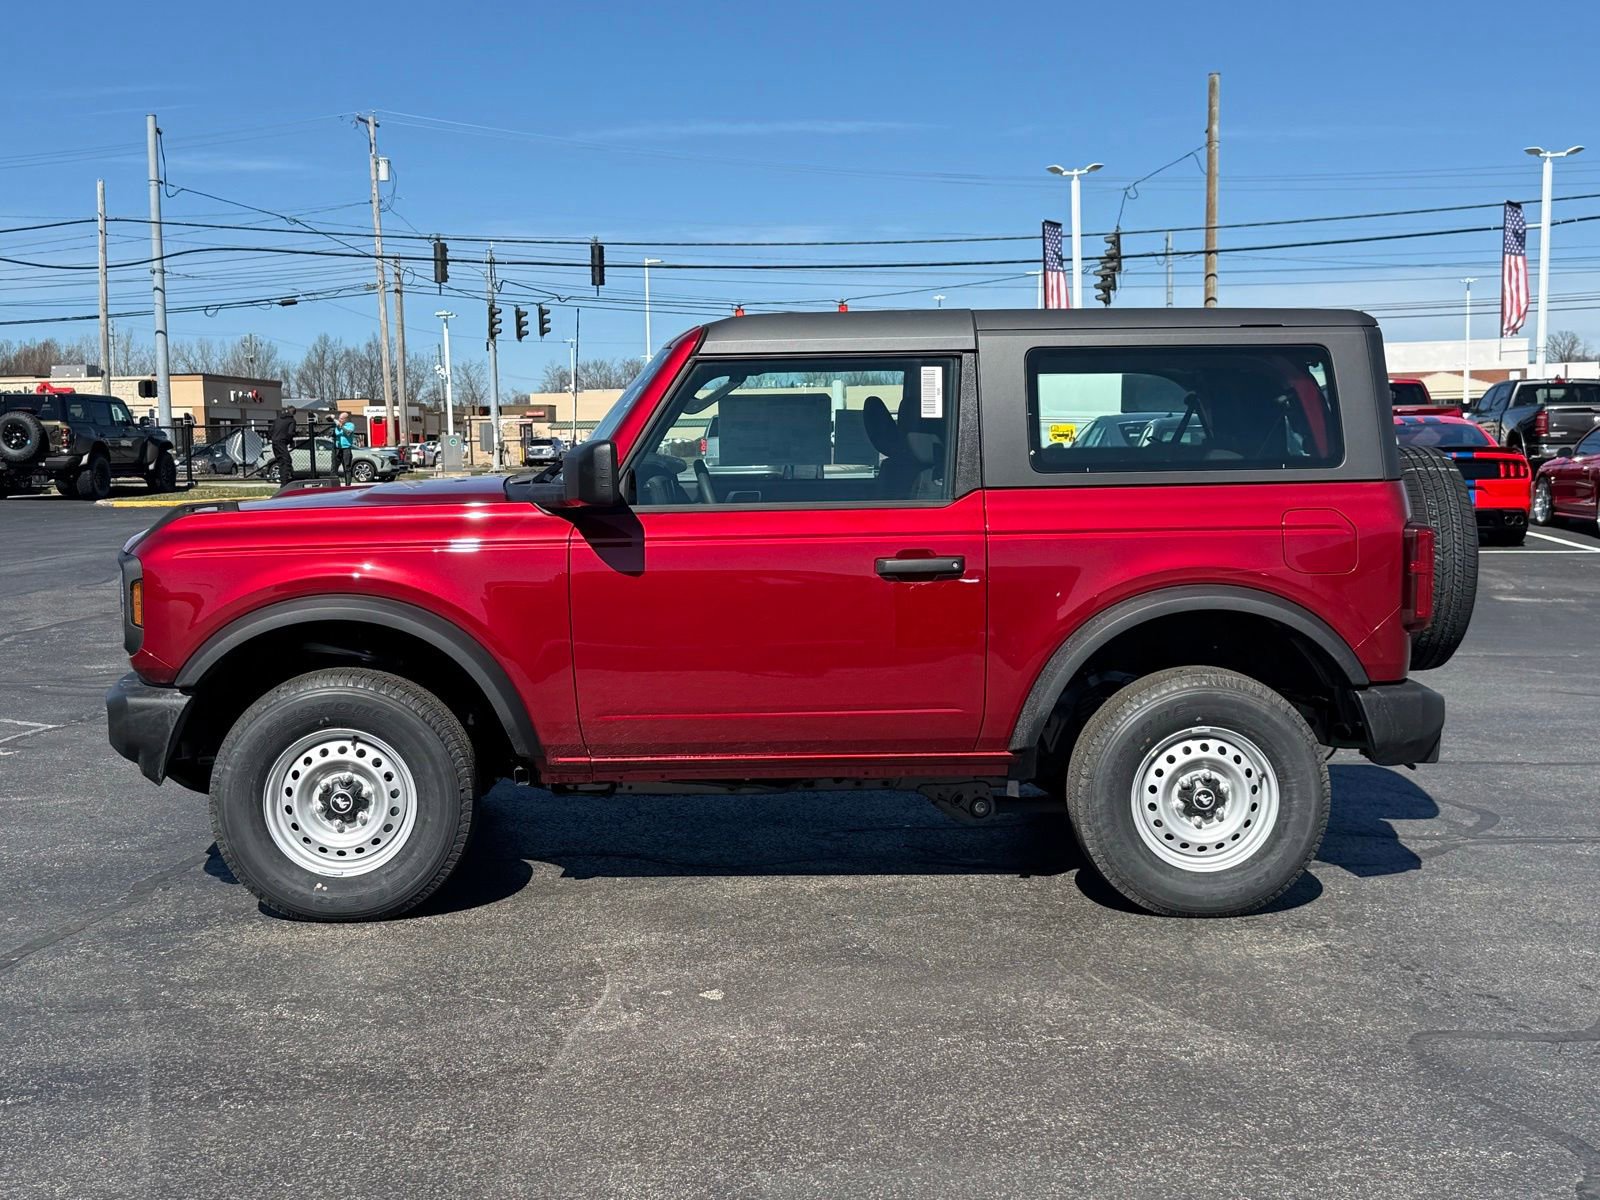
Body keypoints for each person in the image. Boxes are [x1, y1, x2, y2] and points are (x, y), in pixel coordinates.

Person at [268, 404, 297, 482]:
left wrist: (272, 438)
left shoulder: (278, 419)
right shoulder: (291, 421)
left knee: (280, 461)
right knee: (287, 460)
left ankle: (282, 479)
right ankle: (285, 480)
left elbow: (271, 430)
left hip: (274, 442)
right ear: (294, 413)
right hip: (282, 442)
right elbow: (290, 433)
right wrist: (289, 441)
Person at [329, 410, 357, 485]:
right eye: (339, 418)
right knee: (334, 467)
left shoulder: (350, 425)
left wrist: (341, 426)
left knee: (347, 467)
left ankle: (348, 485)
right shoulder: (336, 425)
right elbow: (334, 433)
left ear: (346, 419)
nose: (340, 420)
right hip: (337, 448)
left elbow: (348, 433)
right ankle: (333, 485)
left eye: (341, 418)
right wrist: (332, 419)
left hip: (346, 449)